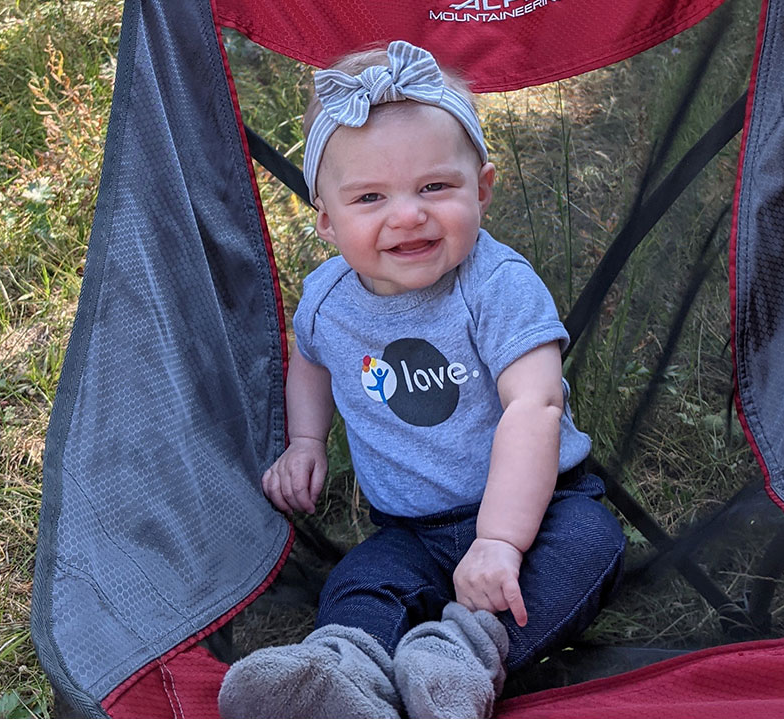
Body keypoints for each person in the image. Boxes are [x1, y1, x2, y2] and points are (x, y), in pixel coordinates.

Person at [218, 40, 625, 719]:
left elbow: (535, 405)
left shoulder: (498, 287)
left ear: (482, 190)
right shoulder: (328, 298)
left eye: (434, 187)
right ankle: (343, 671)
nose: (407, 214)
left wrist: (499, 541)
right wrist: (307, 440)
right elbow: (311, 356)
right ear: (326, 218)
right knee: (362, 582)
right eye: (371, 197)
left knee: (590, 548)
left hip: (542, 511)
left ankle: (457, 658)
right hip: (409, 528)